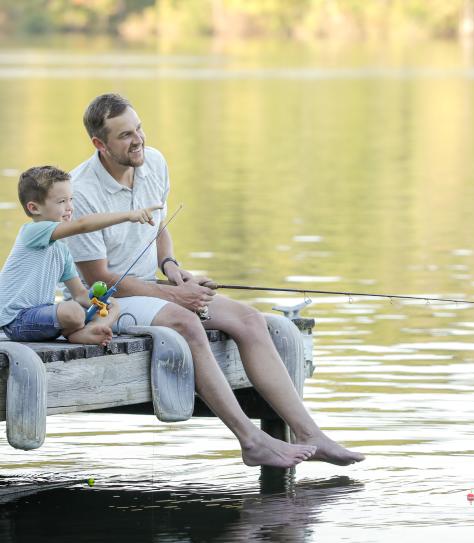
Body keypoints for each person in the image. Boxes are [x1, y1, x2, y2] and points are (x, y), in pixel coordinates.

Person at [64, 92, 365, 470]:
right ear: (100, 144)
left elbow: (160, 227)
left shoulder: (153, 162)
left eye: (139, 129)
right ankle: (251, 440)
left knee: (251, 320)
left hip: (150, 287)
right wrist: (176, 295)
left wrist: (173, 268)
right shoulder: (82, 192)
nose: (138, 139)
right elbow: (100, 280)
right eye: (124, 135)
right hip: (103, 303)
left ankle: (311, 435)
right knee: (187, 322)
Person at [0, 165, 159, 347]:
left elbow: (79, 294)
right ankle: (78, 329)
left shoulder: (62, 249)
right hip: (16, 322)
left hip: (43, 318)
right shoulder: (31, 232)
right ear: (34, 208)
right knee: (73, 311)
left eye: (71, 199)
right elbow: (82, 225)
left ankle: (87, 332)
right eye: (61, 202)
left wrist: (99, 303)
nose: (70, 207)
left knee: (113, 305)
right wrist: (129, 215)